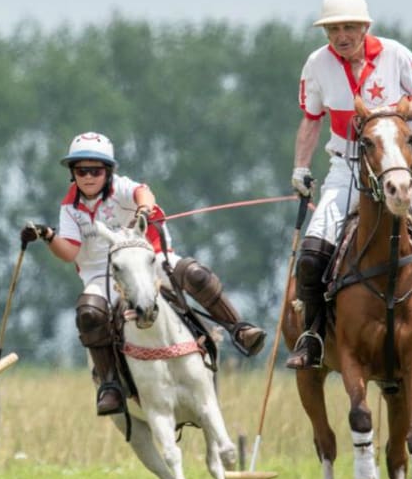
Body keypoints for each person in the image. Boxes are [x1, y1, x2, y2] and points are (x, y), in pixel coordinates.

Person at [21, 131, 266, 416]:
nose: (88, 177)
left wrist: (143, 209)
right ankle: (110, 386)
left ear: (108, 171)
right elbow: (70, 253)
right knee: (88, 313)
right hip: (101, 274)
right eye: (80, 170)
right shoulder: (70, 207)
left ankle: (239, 329)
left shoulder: (120, 188)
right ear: (72, 173)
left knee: (196, 274)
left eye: (95, 170)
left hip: (148, 259)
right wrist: (47, 234)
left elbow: (144, 192)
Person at [285, 0, 412, 375]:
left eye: (349, 27)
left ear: (365, 27)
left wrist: (394, 112)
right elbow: (311, 119)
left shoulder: (395, 54)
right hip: (347, 167)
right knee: (312, 255)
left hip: (397, 165)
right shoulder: (317, 64)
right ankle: (313, 337)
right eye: (333, 29)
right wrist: (300, 167)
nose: (341, 35)